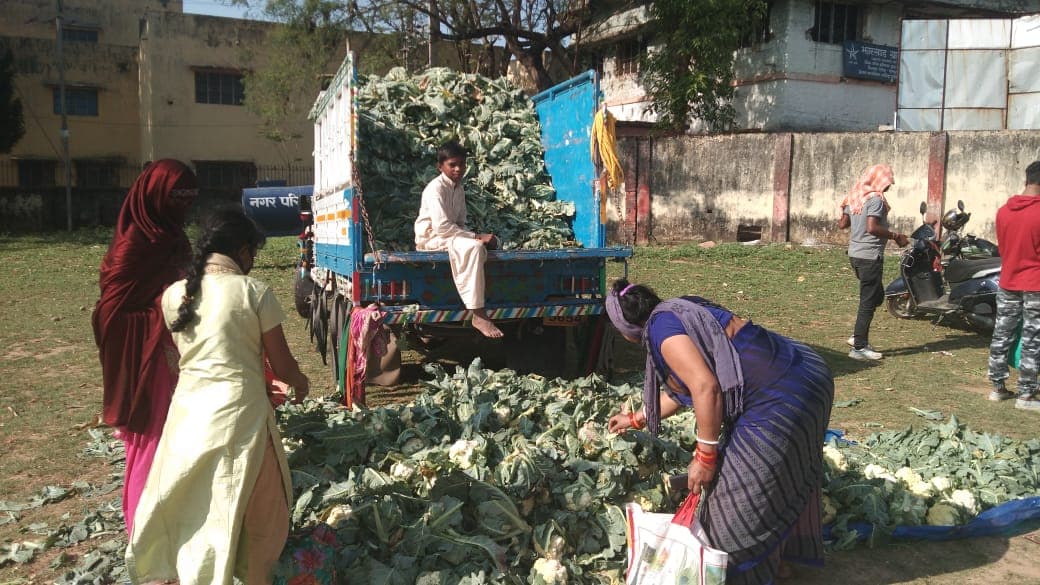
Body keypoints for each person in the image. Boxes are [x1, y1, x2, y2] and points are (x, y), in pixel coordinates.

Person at [604, 279, 834, 585]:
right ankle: (779, 566)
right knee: (779, 482)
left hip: (780, 396)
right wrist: (635, 418)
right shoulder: (680, 308)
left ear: (627, 329)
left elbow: (705, 386)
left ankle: (737, 571)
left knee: (738, 503)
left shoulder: (661, 330)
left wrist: (705, 456)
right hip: (805, 371)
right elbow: (685, 387)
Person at [126, 208, 310, 584]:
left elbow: (192, 357)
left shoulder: (173, 294)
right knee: (262, 515)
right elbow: (283, 363)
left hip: (188, 416)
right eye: (253, 254)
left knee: (196, 507)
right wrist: (301, 384)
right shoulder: (253, 291)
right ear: (243, 252)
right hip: (241, 417)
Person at [92, 159, 198, 535]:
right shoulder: (135, 242)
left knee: (176, 440)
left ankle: (169, 526)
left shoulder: (172, 236)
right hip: (148, 356)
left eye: (190, 197)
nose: (184, 205)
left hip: (174, 353)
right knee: (153, 439)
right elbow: (110, 314)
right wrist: (164, 310)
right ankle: (145, 533)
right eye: (176, 196)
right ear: (154, 196)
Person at [414, 140, 503, 338]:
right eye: (452, 165)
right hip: (431, 238)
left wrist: (477, 237)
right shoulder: (434, 189)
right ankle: (478, 313)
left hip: (449, 235)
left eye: (461, 165)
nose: (458, 169)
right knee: (475, 248)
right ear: (440, 166)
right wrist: (477, 237)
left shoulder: (459, 189)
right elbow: (443, 227)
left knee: (483, 244)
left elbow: (460, 223)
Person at [837, 164, 909, 361]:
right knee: (868, 302)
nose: (887, 188)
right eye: (887, 184)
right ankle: (859, 347)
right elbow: (872, 227)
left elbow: (842, 224)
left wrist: (845, 207)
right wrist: (896, 236)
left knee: (876, 296)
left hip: (855, 255)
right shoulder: (875, 199)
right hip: (869, 256)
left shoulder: (854, 197)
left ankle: (858, 336)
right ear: (879, 181)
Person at [986, 161, 1040, 411]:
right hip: (1035, 283)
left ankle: (997, 387)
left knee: (1002, 332)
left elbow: (1004, 247)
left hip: (1008, 279)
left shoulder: (1004, 211)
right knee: (1032, 337)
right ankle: (1026, 395)